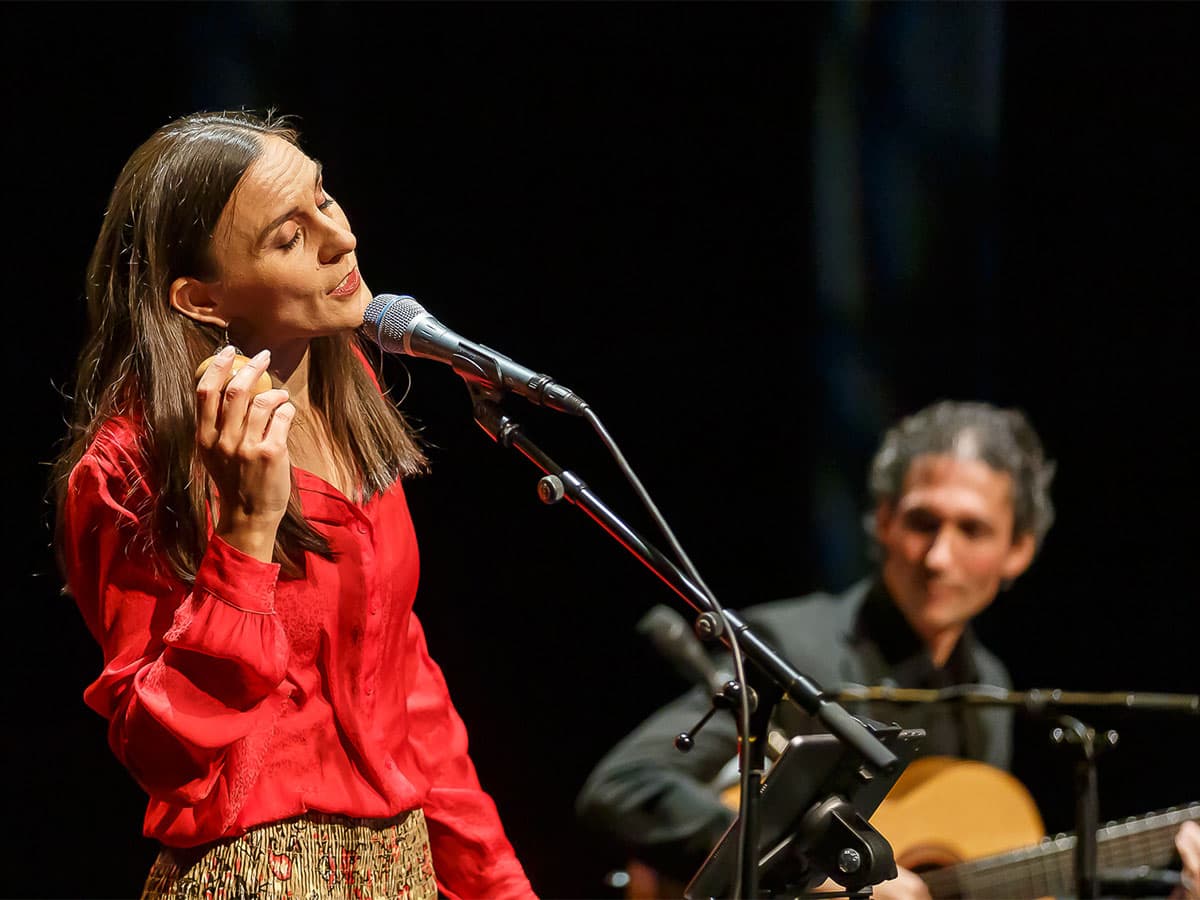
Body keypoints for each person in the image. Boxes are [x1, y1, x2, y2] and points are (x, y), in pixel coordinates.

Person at [52, 110, 534, 899]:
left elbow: (405, 687)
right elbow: (162, 753)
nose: (338, 239)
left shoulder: (351, 388)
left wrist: (495, 885)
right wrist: (243, 538)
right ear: (201, 299)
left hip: (404, 872)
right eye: (287, 236)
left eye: (325, 199)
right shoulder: (133, 464)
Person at [576, 400, 1054, 899]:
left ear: (1018, 550)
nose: (938, 557)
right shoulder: (792, 648)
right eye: (921, 522)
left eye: (972, 530)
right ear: (885, 521)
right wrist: (812, 865)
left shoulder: (990, 686)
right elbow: (624, 786)